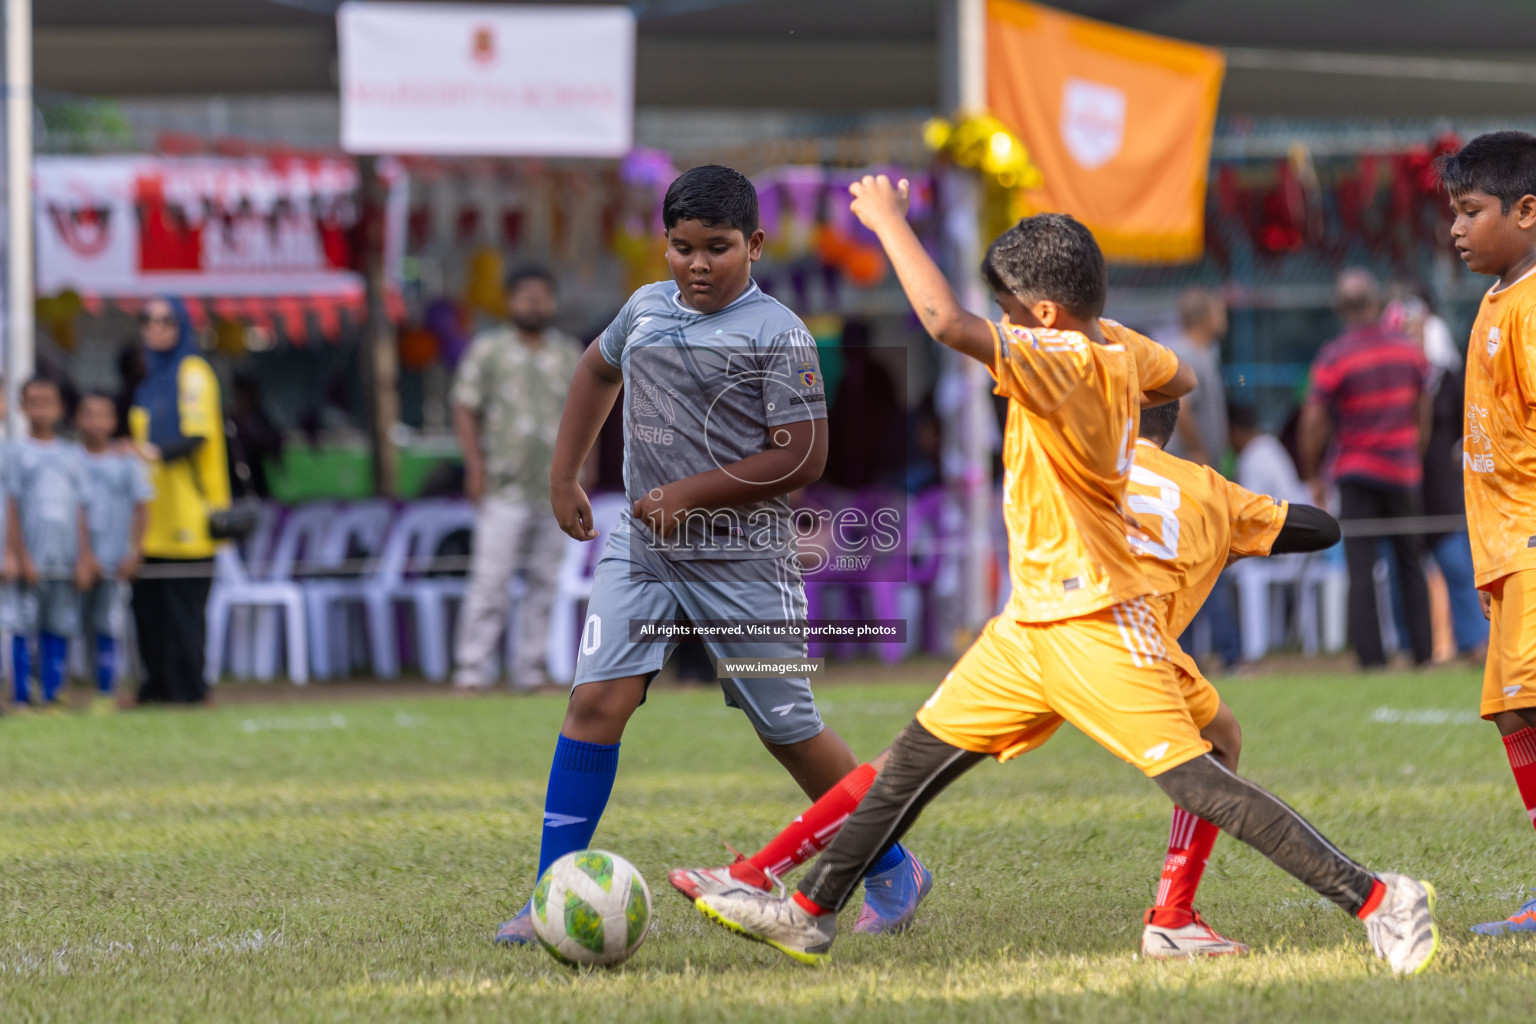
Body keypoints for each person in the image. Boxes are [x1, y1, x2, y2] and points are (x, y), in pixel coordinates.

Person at [692, 175, 1437, 975]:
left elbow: (944, 321)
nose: (1004, 327)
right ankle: (808, 912)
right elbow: (1179, 378)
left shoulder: (1061, 357)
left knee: (1197, 781)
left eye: (1010, 312)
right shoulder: (1114, 345)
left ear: (1042, 315)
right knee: (913, 761)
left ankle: (1378, 898)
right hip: (1030, 623)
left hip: (1095, 616)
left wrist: (885, 222)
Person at [493, 165, 926, 945]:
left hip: (745, 563)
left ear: (755, 245)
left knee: (787, 730)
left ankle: (893, 865)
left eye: (716, 248)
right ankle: (546, 893)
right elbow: (596, 368)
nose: (695, 264)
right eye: (681, 247)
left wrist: (690, 494)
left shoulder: (779, 332)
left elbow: (804, 458)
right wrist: (565, 475)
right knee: (595, 703)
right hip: (645, 550)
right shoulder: (645, 309)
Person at [1440, 131, 1536, 934]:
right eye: (1454, 213)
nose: (1457, 229)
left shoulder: (1534, 305)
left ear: (1527, 210)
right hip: (1506, 550)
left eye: (1472, 212)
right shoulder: (1497, 299)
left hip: (1534, 544)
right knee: (1513, 712)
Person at [450, 267, 581, 693]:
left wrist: (584, 468)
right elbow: (465, 406)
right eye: (526, 297)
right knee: (491, 581)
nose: (534, 305)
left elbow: (586, 413)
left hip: (555, 489)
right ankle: (472, 671)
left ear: (553, 302)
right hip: (503, 485)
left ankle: (530, 671)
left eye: (542, 296)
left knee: (545, 581)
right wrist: (474, 465)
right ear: (509, 302)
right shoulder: (488, 350)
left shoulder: (568, 353)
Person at [1298, 269, 1434, 669]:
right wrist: (1413, 454)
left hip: (1356, 472)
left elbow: (1312, 421)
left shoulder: (1335, 355)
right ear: (1375, 303)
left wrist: (1313, 474)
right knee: (1411, 564)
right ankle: (1423, 656)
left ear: (1340, 309)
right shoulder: (1409, 351)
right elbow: (1422, 413)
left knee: (1361, 568)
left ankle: (1371, 661)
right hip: (1403, 471)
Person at [129, 296, 229, 706]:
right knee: (148, 608)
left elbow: (197, 434)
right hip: (151, 518)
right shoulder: (151, 379)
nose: (156, 327)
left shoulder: (192, 373)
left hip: (189, 513)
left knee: (184, 610)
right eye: (147, 319)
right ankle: (157, 687)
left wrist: (154, 452)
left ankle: (189, 689)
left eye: (165, 320)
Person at [1383, 296, 1488, 661]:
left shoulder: (1447, 376)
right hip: (1400, 481)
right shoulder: (1388, 378)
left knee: (1457, 566)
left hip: (1440, 485)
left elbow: (1468, 424)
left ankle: (1474, 643)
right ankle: (1408, 646)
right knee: (1402, 570)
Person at [5, 377, 94, 711]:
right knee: (21, 625)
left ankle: (53, 695)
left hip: (65, 560)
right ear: (22, 407)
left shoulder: (73, 455)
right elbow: (10, 506)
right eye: (34, 402)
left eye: (48, 402)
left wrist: (84, 557)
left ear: (61, 409)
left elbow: (82, 508)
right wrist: (17, 554)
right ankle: (20, 698)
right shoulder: (14, 453)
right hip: (29, 559)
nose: (41, 409)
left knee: (59, 624)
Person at [77, 392, 153, 712]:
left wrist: (136, 551)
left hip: (113, 559)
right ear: (77, 419)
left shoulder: (127, 462)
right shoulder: (70, 458)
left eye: (103, 415)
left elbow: (143, 507)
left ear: (113, 421)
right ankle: (53, 692)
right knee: (69, 623)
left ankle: (105, 692)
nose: (96, 422)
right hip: (74, 563)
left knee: (107, 624)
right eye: (89, 414)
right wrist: (83, 556)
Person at [1161, 287, 1229, 468]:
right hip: (1189, 463)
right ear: (1205, 317)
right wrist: (1199, 450)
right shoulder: (1187, 353)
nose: (1224, 319)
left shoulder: (1204, 353)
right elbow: (1181, 407)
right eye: (1219, 312)